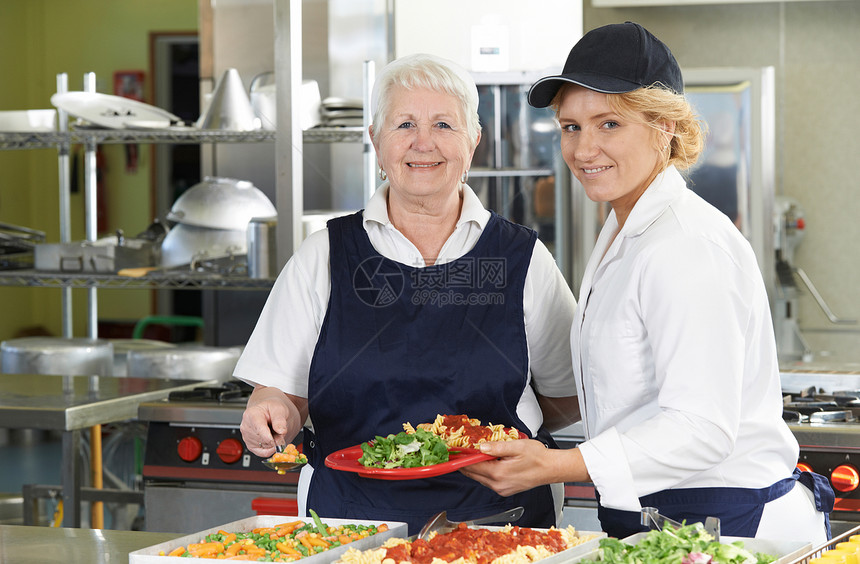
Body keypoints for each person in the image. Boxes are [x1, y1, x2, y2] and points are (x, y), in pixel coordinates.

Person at [460, 22, 834, 543]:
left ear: (665, 126)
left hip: (727, 526)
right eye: (570, 127)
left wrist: (554, 466)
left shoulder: (685, 244)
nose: (584, 148)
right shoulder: (624, 228)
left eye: (609, 123)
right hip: (663, 520)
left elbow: (702, 429)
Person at [234, 53, 580, 534]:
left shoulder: (522, 257)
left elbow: (566, 397)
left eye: (443, 124)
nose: (423, 142)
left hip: (499, 527)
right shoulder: (324, 256)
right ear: (375, 139)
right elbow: (280, 398)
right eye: (404, 124)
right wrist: (268, 413)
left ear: (473, 140)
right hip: (351, 527)